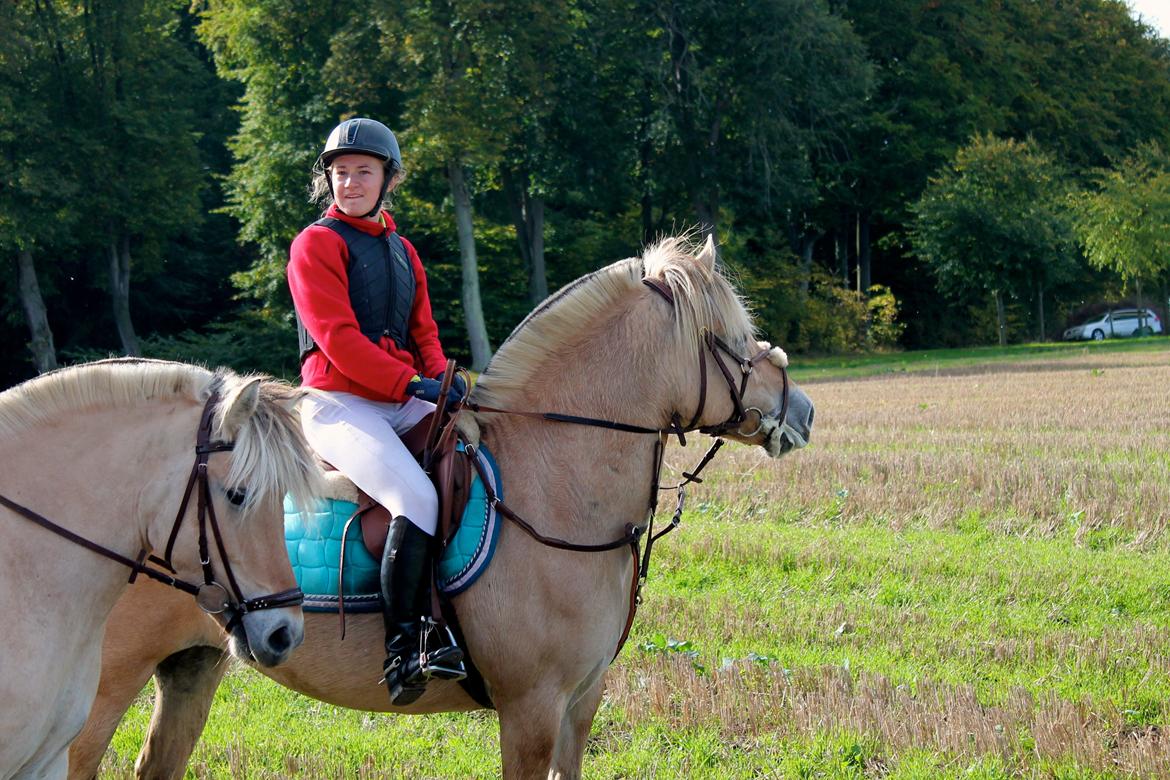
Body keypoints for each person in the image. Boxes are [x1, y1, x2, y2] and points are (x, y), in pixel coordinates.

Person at [287, 117, 467, 705]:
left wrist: (445, 382)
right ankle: (405, 648)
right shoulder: (315, 244)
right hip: (338, 403)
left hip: (399, 396)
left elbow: (426, 334)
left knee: (481, 453)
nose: (350, 182)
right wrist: (412, 383)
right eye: (340, 173)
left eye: (363, 172)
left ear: (388, 179)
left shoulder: (402, 250)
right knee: (413, 498)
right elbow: (338, 340)